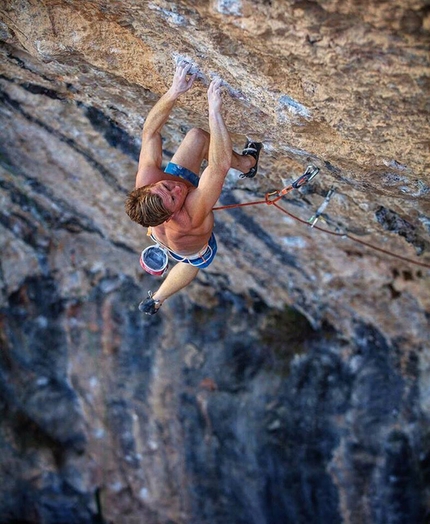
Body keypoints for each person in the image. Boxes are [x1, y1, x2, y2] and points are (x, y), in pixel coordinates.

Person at [125, 61, 262, 314]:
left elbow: (150, 132)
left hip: (162, 230)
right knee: (192, 261)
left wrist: (174, 91)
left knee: (198, 137)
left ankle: (156, 297)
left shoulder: (148, 181)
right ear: (172, 213)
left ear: (148, 187)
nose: (176, 188)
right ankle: (158, 298)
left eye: (165, 186)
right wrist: (214, 111)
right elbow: (218, 166)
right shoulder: (189, 215)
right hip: (192, 247)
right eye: (173, 197)